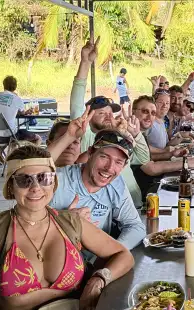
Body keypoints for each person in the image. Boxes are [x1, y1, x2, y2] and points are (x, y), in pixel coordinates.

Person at [0, 145, 134, 310]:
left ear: (54, 182)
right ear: (10, 186)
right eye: (24, 180)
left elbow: (123, 255)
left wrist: (98, 279)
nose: (35, 187)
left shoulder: (71, 223)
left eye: (44, 178)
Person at [48, 108, 146, 250]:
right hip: (58, 261)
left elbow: (135, 226)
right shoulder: (58, 179)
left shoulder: (116, 184)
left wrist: (113, 251)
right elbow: (27, 225)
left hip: (96, 261)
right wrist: (63, 220)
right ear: (90, 152)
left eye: (118, 162)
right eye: (104, 157)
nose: (109, 168)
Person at [70, 36, 149, 208]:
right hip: (109, 209)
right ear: (88, 118)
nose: (108, 116)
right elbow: (76, 105)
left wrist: (133, 134)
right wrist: (85, 63)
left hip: (136, 205)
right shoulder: (86, 136)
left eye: (110, 113)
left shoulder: (119, 138)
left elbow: (143, 158)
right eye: (101, 113)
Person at [0, 76, 42, 163]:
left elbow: (3, 109)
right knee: (38, 138)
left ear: (4, 85)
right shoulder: (16, 98)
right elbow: (22, 112)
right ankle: (30, 160)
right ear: (15, 86)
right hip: (9, 136)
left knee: (8, 132)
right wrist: (26, 112)